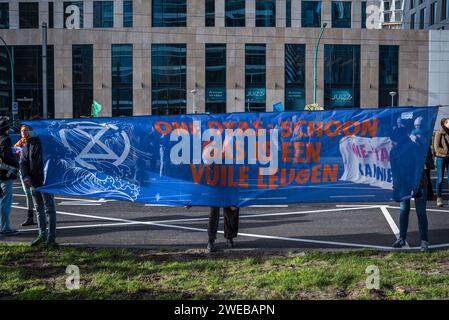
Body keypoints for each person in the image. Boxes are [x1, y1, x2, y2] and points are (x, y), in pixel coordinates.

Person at [20, 127, 58, 247]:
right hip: (34, 182)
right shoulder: (29, 143)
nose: (28, 132)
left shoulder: (48, 142)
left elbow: (55, 160)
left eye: (31, 129)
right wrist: (26, 176)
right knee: (39, 209)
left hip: (47, 181)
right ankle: (42, 234)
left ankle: (51, 238)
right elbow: (23, 162)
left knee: (49, 209)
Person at [392, 151, 432, 251]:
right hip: (404, 182)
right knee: (404, 210)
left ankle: (424, 240)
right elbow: (394, 163)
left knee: (421, 212)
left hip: (420, 182)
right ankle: (402, 238)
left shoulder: (422, 143)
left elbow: (429, 163)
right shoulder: (400, 145)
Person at [0, 117, 19, 236]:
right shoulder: (5, 139)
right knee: (5, 202)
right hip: (6, 173)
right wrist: (16, 163)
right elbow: (6, 157)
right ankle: (5, 227)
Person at [14, 125, 36, 226]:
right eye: (22, 131)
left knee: (37, 194)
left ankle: (44, 215)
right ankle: (30, 217)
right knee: (28, 194)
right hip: (24, 172)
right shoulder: (20, 142)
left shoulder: (34, 141)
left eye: (26, 130)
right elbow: (14, 151)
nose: (24, 132)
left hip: (34, 172)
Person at [433, 118, 449, 207]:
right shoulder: (439, 132)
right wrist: (446, 152)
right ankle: (439, 197)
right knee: (440, 179)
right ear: (445, 123)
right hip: (441, 158)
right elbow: (436, 147)